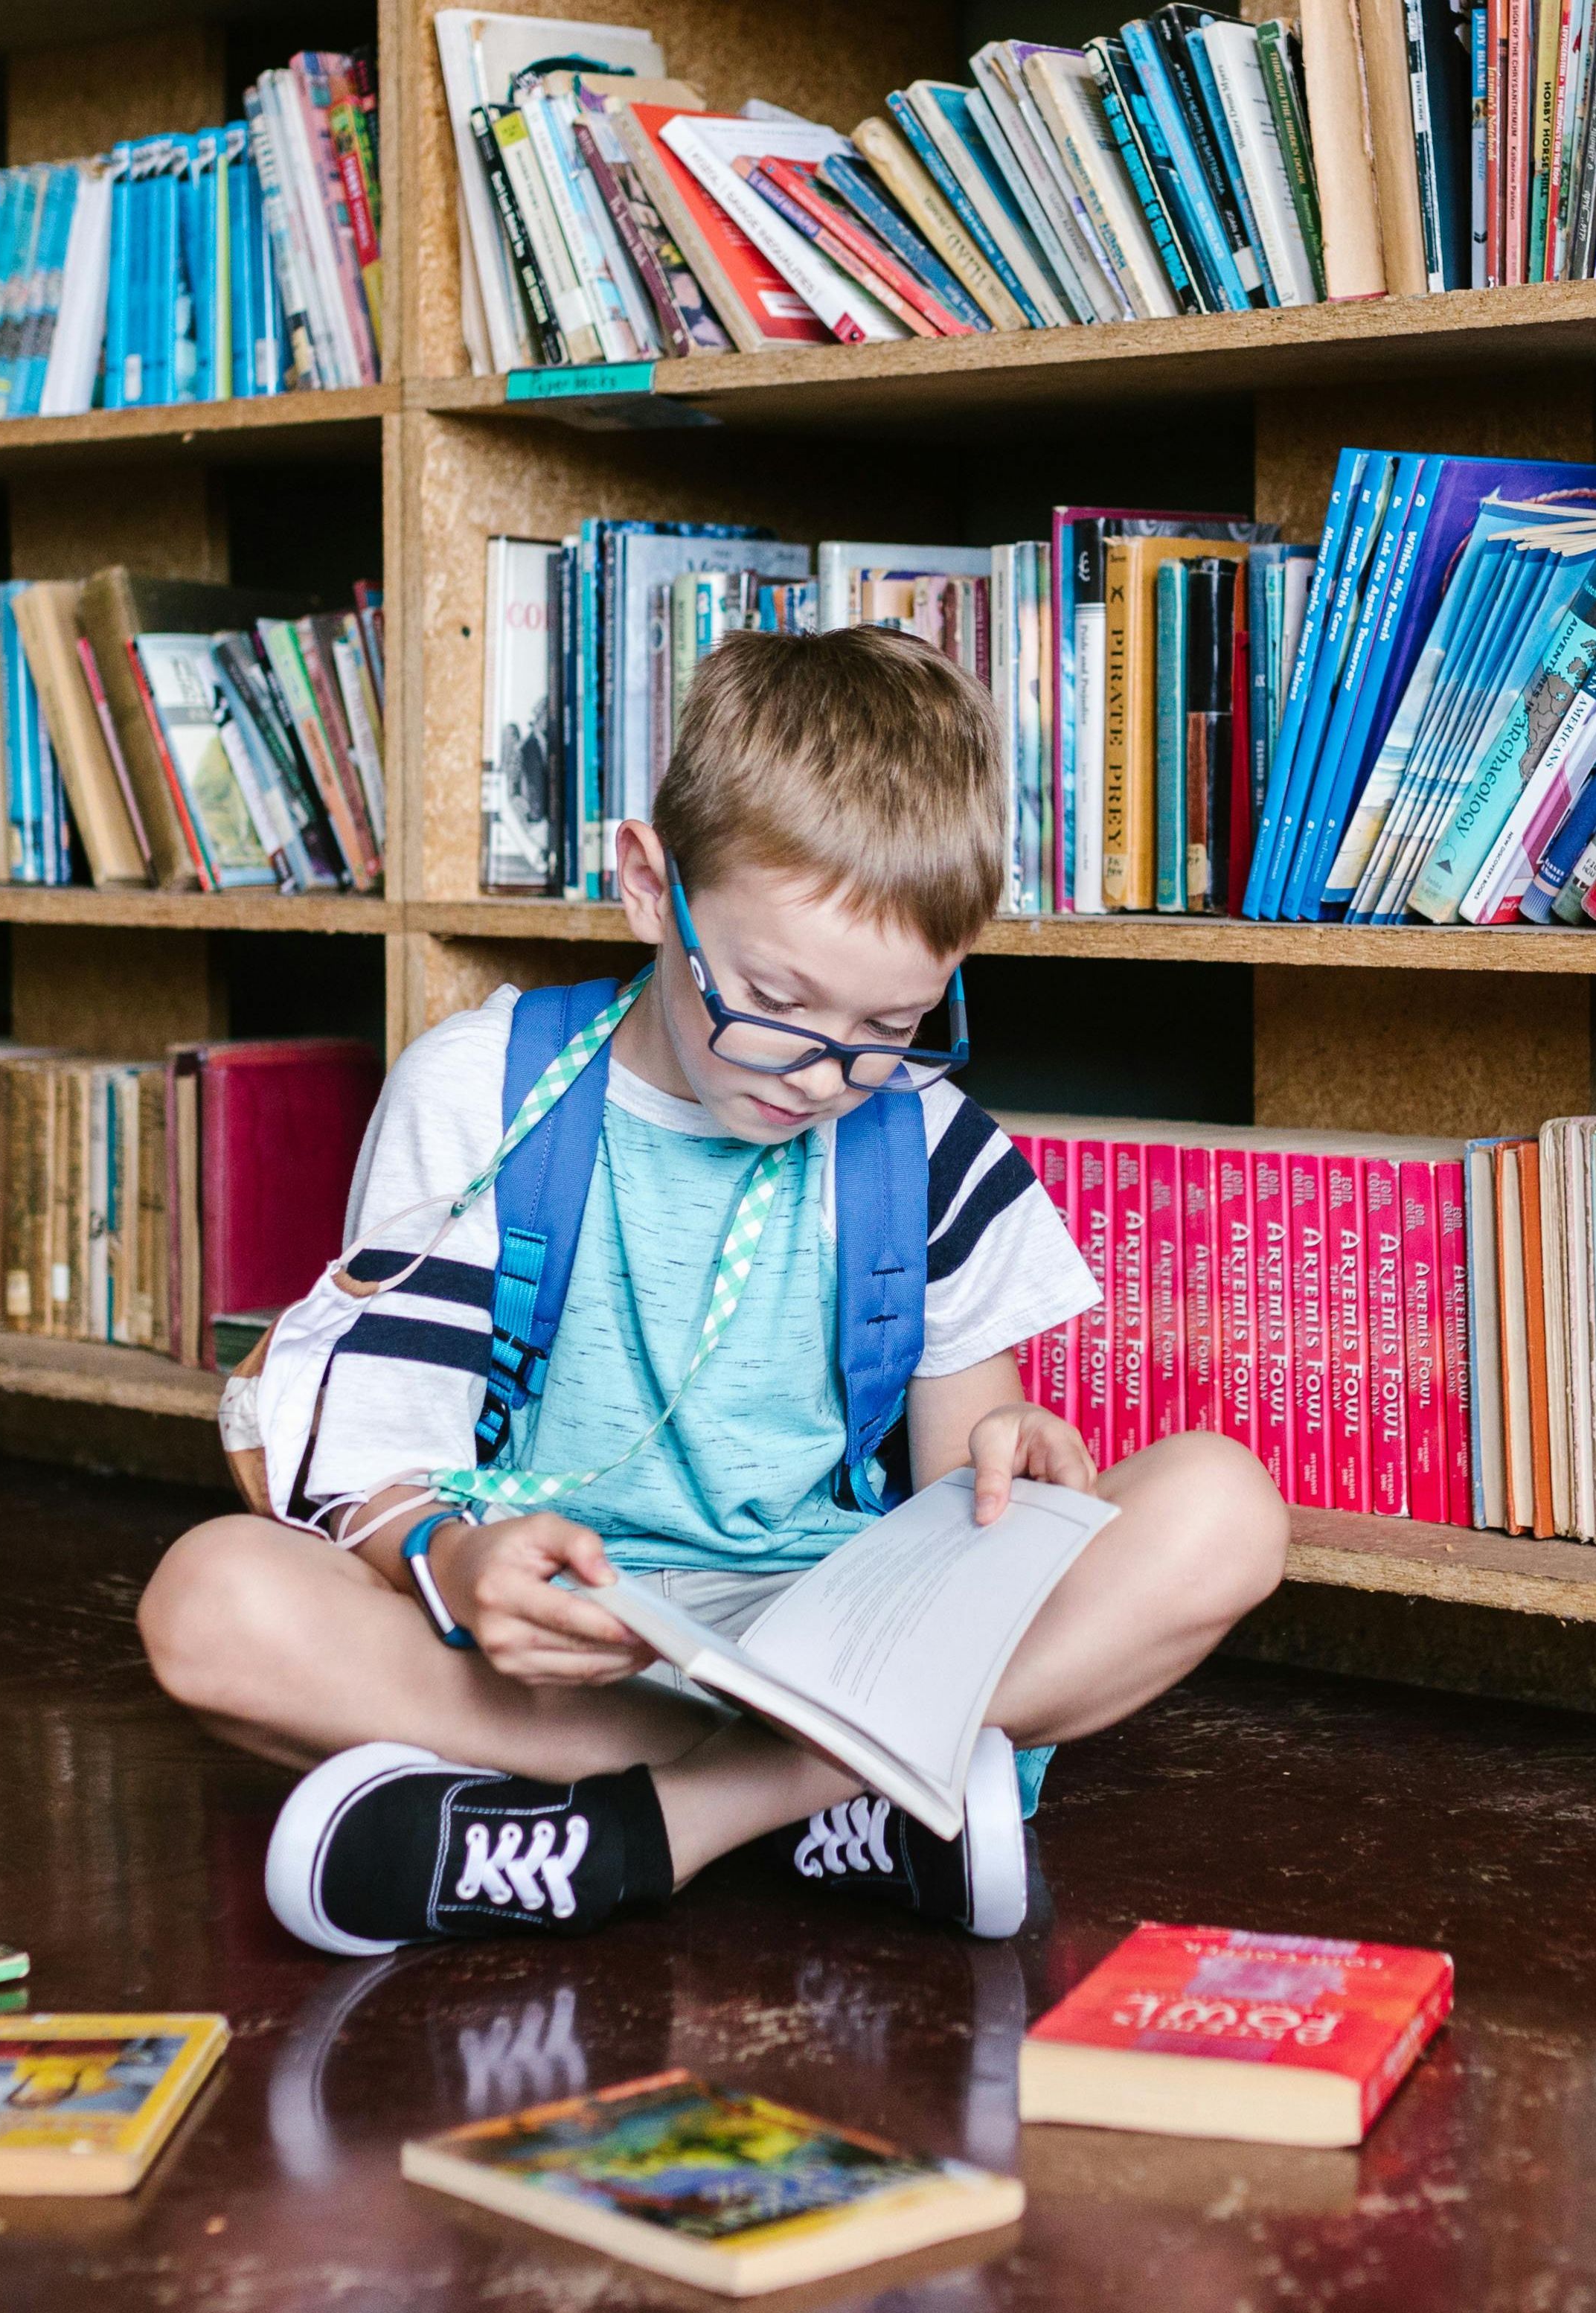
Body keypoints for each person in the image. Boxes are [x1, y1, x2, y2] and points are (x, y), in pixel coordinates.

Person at [139, 627, 1289, 1956]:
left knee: (1222, 1508)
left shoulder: (922, 1139)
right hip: (579, 1644)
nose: (818, 1070)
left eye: (890, 1027)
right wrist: (454, 1561)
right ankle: (855, 1802)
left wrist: (1005, 1460)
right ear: (646, 884)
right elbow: (377, 1457)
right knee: (210, 1600)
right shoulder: (479, 1090)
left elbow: (950, 1496)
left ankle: (654, 1829)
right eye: (774, 997)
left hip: (831, 1637)